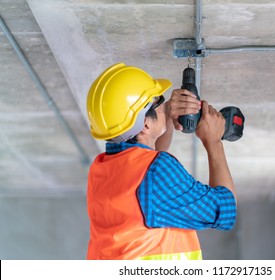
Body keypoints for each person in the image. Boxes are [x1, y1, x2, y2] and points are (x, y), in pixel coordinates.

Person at [85, 62, 236, 260]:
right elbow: (224, 209)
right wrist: (213, 140)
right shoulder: (154, 173)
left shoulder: (103, 168)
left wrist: (168, 113)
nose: (164, 105)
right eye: (159, 102)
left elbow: (150, 168)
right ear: (145, 124)